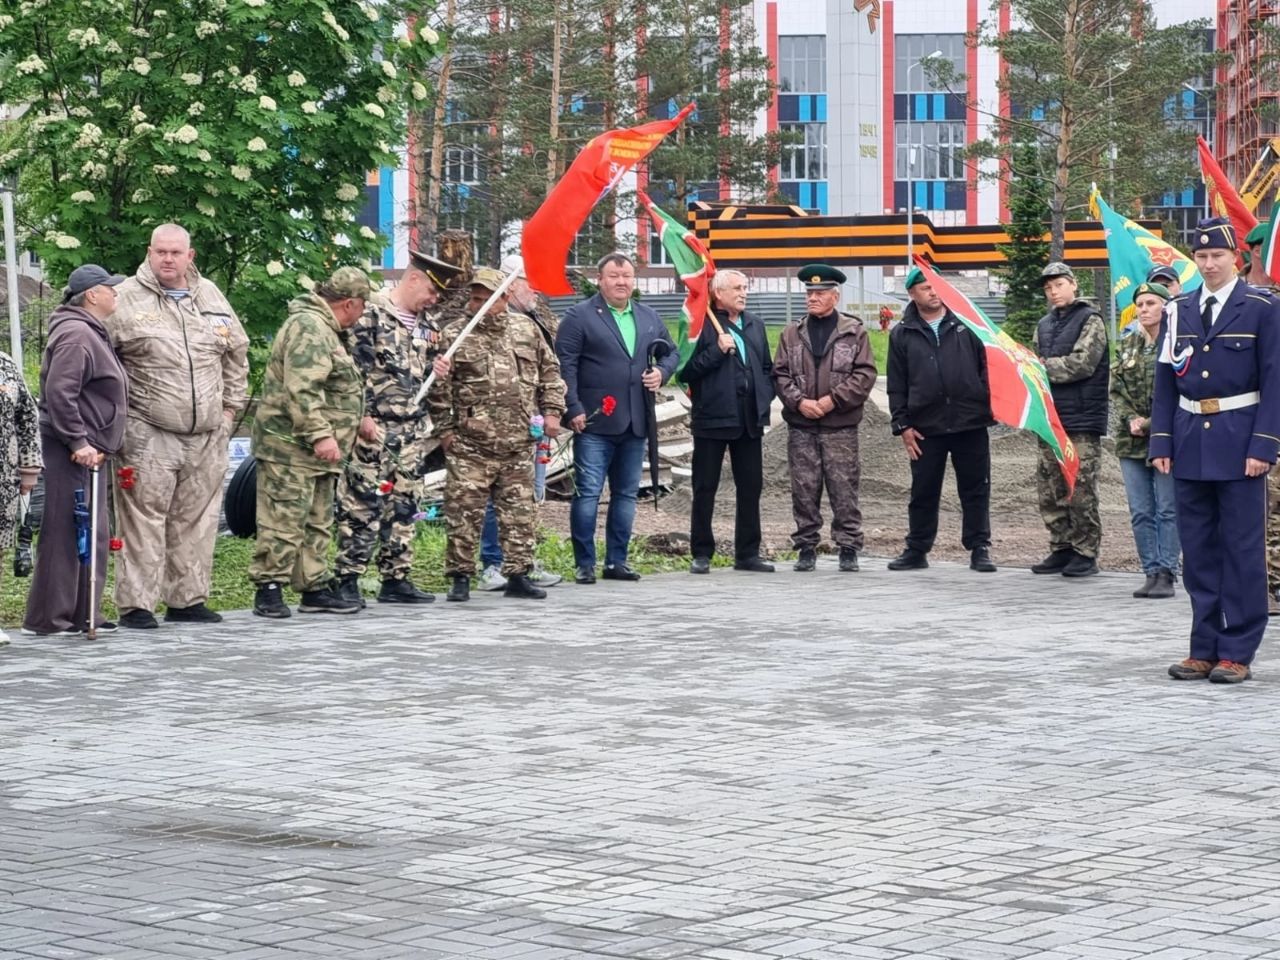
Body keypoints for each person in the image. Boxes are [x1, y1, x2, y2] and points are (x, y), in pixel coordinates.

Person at [1152, 217, 1280, 684]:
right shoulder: (1177, 310)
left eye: (1217, 256)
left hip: (1241, 440)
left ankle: (1238, 649)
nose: (1209, 264)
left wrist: (1264, 444)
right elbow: (1165, 379)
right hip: (1190, 440)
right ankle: (1203, 646)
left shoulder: (1262, 308)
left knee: (1242, 550)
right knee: (1199, 550)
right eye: (1202, 256)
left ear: (1236, 258)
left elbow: (1275, 380)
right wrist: (1161, 439)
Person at [106, 223, 249, 629]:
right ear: (149, 252)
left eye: (176, 252)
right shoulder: (124, 299)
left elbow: (236, 355)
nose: (168, 259)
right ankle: (137, 605)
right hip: (148, 432)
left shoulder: (211, 296)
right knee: (143, 519)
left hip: (207, 434)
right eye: (161, 252)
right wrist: (120, 421)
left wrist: (228, 412)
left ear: (190, 256)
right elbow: (100, 362)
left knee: (196, 518)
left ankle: (187, 599)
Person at [331, 249, 460, 608]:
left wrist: (439, 371)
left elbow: (424, 379)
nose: (434, 300)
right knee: (362, 504)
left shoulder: (429, 327)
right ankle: (348, 577)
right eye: (431, 291)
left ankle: (396, 577)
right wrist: (359, 416)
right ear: (414, 278)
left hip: (412, 431)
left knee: (406, 504)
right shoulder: (370, 314)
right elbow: (350, 372)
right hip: (373, 429)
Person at [429, 267, 566, 602]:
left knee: (519, 514)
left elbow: (550, 372)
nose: (477, 305)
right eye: (474, 298)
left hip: (518, 442)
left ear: (504, 298)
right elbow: (439, 390)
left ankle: (518, 574)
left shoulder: (525, 330)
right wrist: (445, 432)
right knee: (463, 513)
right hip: (471, 445)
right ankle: (460, 577)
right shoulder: (455, 334)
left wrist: (552, 411)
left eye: (485, 299)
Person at [249, 267, 372, 618]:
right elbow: (302, 387)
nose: (362, 314)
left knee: (317, 519)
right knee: (283, 518)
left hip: (318, 452)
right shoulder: (309, 326)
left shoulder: (328, 330)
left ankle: (313, 585)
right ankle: (269, 588)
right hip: (290, 447)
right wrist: (320, 434)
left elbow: (338, 386)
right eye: (363, 306)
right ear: (349, 303)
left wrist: (358, 419)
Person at [555, 252, 678, 584]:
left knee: (625, 495)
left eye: (626, 276)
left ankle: (616, 562)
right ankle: (584, 563)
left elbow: (672, 352)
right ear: (599, 279)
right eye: (614, 276)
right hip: (594, 422)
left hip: (636, 421)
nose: (621, 282)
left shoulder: (648, 316)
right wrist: (572, 407)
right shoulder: (579, 317)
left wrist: (662, 372)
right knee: (588, 493)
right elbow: (565, 366)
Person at [22, 265, 126, 638]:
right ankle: (50, 618)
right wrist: (78, 440)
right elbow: (59, 392)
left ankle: (83, 612)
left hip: (90, 448)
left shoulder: (89, 330)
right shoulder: (77, 334)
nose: (116, 293)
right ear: (92, 295)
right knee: (66, 529)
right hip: (73, 448)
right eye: (109, 288)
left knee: (90, 530)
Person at [886, 266, 996, 573]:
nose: (933, 292)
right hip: (925, 427)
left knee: (975, 489)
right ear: (912, 294)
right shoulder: (902, 333)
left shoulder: (967, 323)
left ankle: (979, 548)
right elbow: (896, 384)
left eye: (935, 285)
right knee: (923, 490)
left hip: (970, 422)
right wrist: (903, 425)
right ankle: (917, 549)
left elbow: (989, 366)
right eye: (925, 288)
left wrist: (984, 399)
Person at [772, 264, 877, 573]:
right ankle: (806, 547)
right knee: (803, 489)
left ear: (835, 296)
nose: (812, 298)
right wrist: (799, 402)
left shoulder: (854, 332)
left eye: (819, 293)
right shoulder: (791, 334)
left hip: (840, 427)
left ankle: (848, 548)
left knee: (844, 489)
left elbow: (864, 374)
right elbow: (779, 374)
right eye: (809, 293)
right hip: (802, 427)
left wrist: (833, 400)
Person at [475, 253, 564, 592]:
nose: (537, 291)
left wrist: (552, 411)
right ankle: (492, 563)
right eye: (531, 284)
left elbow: (549, 371)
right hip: (491, 432)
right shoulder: (484, 324)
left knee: (530, 497)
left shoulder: (532, 323)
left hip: (532, 427)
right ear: (510, 285)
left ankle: (523, 562)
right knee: (495, 500)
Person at [678, 269, 775, 574]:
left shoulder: (756, 324)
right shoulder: (701, 325)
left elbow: (766, 368)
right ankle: (701, 552)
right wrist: (716, 351)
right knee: (705, 486)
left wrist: (764, 396)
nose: (743, 293)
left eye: (745, 287)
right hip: (713, 418)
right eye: (736, 288)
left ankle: (747, 553)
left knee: (750, 487)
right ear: (718, 293)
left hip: (749, 420)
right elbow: (685, 372)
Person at [1029, 261, 1108, 578]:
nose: (1054, 292)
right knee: (1050, 487)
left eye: (1059, 285)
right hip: (1051, 419)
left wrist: (1043, 367)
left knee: (1080, 488)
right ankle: (1061, 547)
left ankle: (1085, 552)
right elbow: (1034, 362)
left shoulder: (1091, 320)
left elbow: (1082, 364)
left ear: (1074, 284)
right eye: (1048, 288)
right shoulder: (1043, 325)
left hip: (1081, 420)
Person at [1110, 281, 1180, 599]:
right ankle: (1150, 570)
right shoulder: (1128, 343)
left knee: (1167, 508)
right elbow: (1116, 388)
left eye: (1151, 303)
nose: (1144, 309)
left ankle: (1167, 571)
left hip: (1166, 437)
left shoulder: (1176, 343)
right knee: (1140, 510)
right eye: (1140, 305)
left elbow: (1179, 392)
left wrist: (1150, 423)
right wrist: (1131, 420)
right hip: (1131, 439)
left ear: (1166, 307)